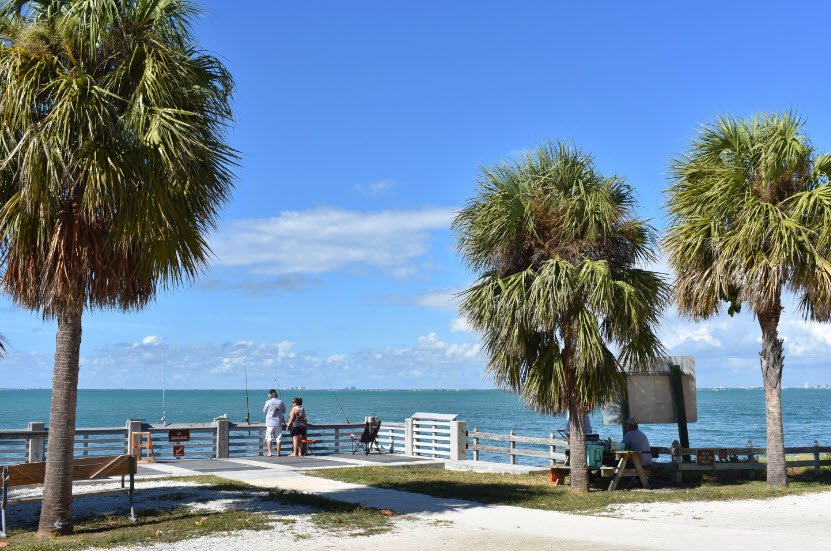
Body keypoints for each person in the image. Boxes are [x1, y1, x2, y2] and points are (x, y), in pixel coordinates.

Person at [263, 389, 286, 457]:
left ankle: (269, 452)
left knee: (269, 437)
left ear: (270, 395)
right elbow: (284, 410)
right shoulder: (280, 402)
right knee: (278, 438)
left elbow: (264, 411)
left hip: (270, 423)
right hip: (278, 422)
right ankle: (278, 452)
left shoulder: (268, 402)